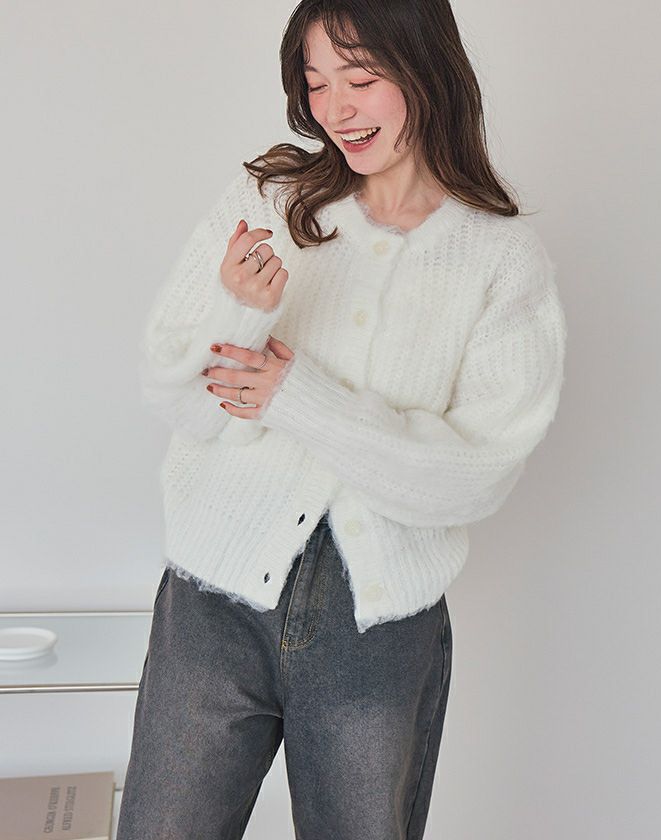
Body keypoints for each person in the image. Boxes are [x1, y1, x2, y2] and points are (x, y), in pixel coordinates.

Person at [117, 1, 567, 838]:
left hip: (377, 627)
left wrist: (295, 396)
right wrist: (239, 311)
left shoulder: (501, 260)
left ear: (427, 70)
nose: (335, 108)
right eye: (316, 82)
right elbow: (178, 402)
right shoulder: (269, 199)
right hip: (212, 604)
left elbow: (474, 477)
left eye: (360, 78)